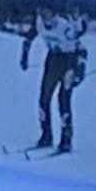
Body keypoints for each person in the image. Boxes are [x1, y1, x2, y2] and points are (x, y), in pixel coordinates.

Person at [35, 17, 88, 154]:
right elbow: (30, 34)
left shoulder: (64, 25)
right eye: (41, 12)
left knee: (63, 100)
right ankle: (46, 135)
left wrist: (79, 71)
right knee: (44, 99)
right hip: (53, 58)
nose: (45, 18)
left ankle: (66, 140)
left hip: (69, 60)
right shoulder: (40, 22)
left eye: (48, 14)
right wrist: (25, 53)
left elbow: (81, 48)